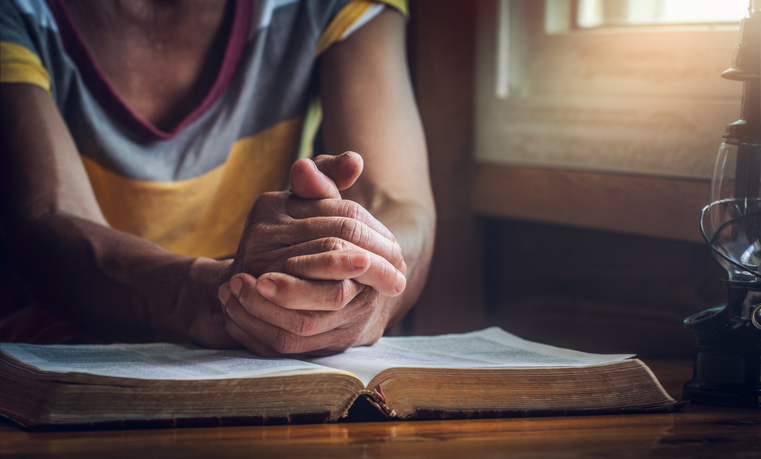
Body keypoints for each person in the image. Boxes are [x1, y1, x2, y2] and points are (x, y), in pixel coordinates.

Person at [0, 0, 435, 356]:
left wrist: (358, 282)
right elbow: (45, 220)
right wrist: (213, 297)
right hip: (53, 375)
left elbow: (399, 205)